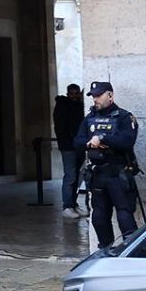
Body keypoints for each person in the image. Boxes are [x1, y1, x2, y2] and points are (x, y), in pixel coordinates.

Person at [76, 81, 138, 249]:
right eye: (93, 96)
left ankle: (130, 252)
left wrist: (103, 138)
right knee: (99, 217)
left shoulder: (124, 117)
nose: (95, 99)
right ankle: (105, 251)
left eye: (98, 95)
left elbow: (127, 141)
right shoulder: (90, 118)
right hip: (98, 174)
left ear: (110, 95)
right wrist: (89, 144)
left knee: (124, 215)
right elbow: (77, 141)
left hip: (118, 173)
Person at [52, 83, 85, 218]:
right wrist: (68, 142)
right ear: (68, 94)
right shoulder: (62, 107)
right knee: (71, 175)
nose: (74, 96)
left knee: (78, 176)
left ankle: (73, 204)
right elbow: (61, 128)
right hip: (68, 147)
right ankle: (67, 206)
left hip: (79, 146)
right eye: (72, 93)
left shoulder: (79, 106)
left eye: (76, 93)